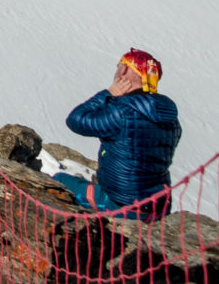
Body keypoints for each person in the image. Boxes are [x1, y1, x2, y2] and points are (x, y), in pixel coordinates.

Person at [53, 50, 182, 215]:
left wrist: (108, 94)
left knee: (58, 182)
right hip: (159, 206)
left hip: (121, 204)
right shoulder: (170, 118)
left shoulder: (122, 111)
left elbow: (75, 120)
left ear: (124, 71)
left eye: (119, 66)